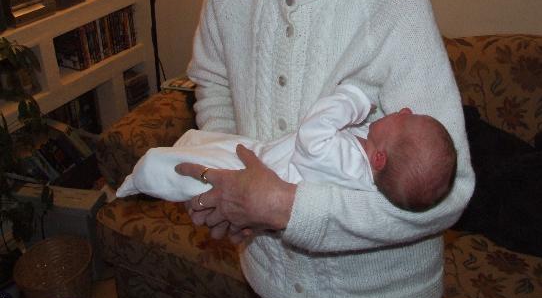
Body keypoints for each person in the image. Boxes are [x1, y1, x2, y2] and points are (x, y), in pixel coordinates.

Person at [176, 0, 475, 298]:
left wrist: (284, 207)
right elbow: (214, 82)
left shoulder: (395, 5)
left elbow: (450, 194)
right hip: (266, 283)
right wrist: (231, 180)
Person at [116, 84, 456, 212]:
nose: (404, 110)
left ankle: (140, 177)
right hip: (265, 155)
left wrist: (352, 99)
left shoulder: (350, 164)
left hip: (254, 175)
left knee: (184, 172)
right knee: (203, 146)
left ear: (379, 158)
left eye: (405, 119)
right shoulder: (365, 162)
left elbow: (313, 135)